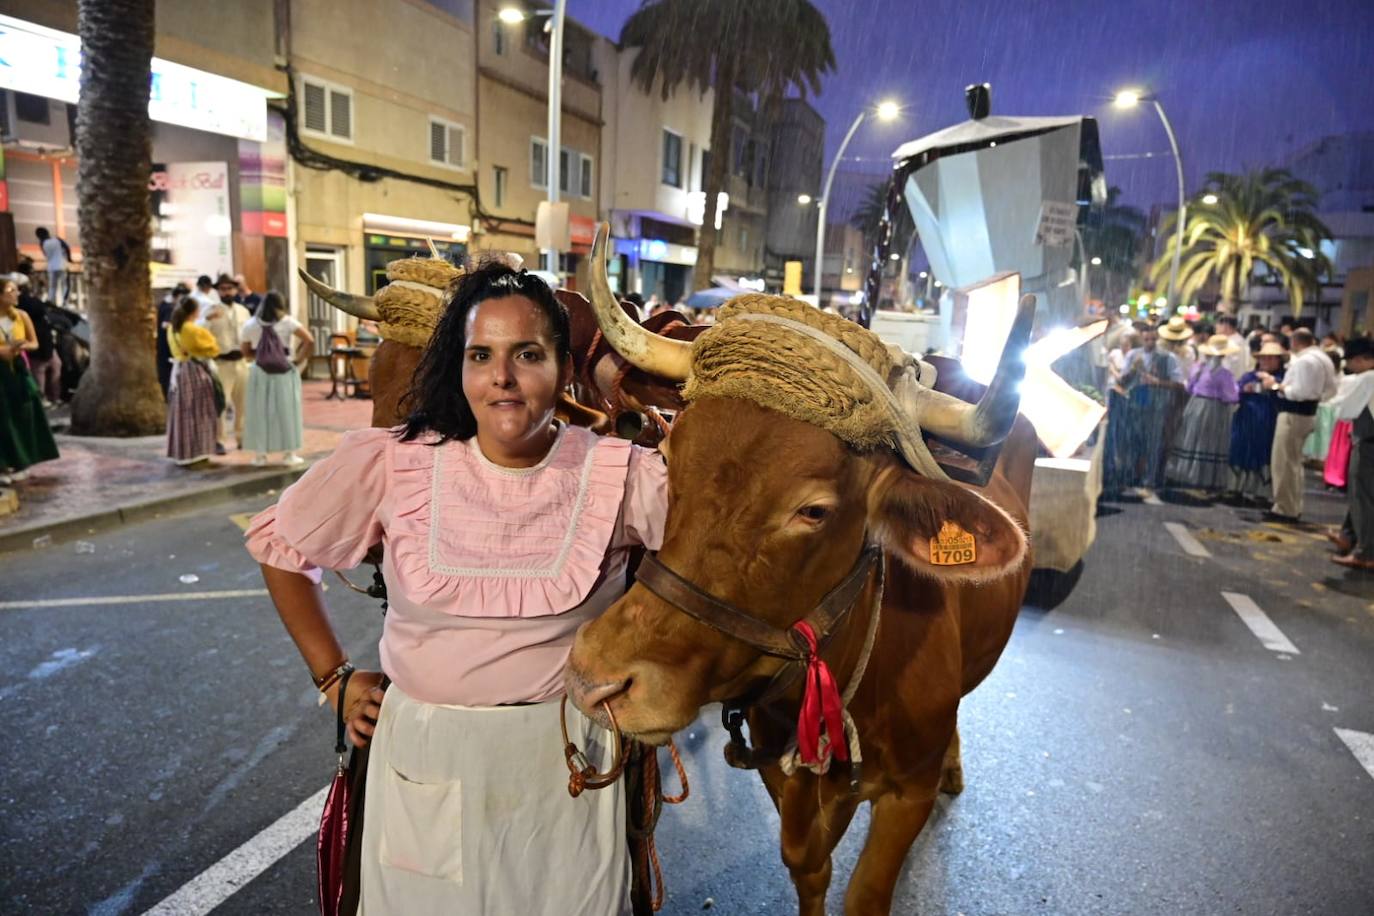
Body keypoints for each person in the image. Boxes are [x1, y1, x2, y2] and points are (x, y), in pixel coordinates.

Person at [245, 263, 667, 914]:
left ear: (563, 368)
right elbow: (280, 547)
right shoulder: (393, 461)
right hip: (425, 759)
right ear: (460, 366)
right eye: (481, 355)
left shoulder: (623, 475)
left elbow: (724, 558)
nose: (501, 377)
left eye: (527, 354)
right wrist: (334, 678)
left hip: (568, 769)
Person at [1259, 327, 1338, 521]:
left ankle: (1284, 508)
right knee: (1294, 463)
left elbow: (1298, 393)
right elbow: (1331, 390)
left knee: (1284, 462)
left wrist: (1275, 385)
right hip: (1309, 413)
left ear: (1295, 342)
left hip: (1294, 412)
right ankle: (1292, 505)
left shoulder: (1305, 361)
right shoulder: (1324, 359)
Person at [239, 291, 314, 467]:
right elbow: (309, 340)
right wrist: (298, 360)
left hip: (260, 372)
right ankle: (289, 454)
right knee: (287, 412)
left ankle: (260, 456)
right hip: (284, 370)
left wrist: (259, 356)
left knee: (259, 413)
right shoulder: (288, 322)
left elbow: (244, 350)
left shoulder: (250, 324)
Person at [1, 277, 60, 484]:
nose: (16, 294)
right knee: (4, 418)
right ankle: (5, 464)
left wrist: (21, 346)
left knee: (23, 415)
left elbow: (34, 342)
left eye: (16, 290)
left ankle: (22, 461)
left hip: (18, 371)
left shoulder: (21, 316)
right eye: (11, 290)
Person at [1167, 334, 1240, 493]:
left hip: (1195, 404)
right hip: (1213, 408)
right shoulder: (1224, 374)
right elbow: (1231, 396)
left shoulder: (1199, 368)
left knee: (1191, 438)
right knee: (1208, 441)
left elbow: (1189, 387)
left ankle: (1186, 473)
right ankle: (1204, 478)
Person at [1326, 337, 1374, 569]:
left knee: (1362, 496)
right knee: (1362, 494)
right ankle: (1348, 536)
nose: (1350, 368)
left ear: (1362, 360)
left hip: (1368, 443)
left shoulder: (1367, 378)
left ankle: (1366, 553)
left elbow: (1346, 411)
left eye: (1352, 362)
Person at [1228, 340, 1287, 505]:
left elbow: (1282, 393)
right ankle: (1236, 489)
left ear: (1278, 361)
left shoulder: (1282, 378)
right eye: (1263, 358)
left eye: (1271, 358)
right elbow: (1236, 390)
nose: (1266, 361)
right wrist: (1243, 390)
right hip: (1245, 419)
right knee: (1240, 450)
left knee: (1263, 453)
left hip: (1267, 420)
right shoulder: (1249, 375)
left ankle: (1261, 492)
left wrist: (1265, 385)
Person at [166, 296, 221, 466]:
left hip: (179, 373)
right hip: (194, 373)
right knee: (199, 414)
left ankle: (183, 454)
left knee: (182, 414)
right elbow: (213, 348)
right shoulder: (193, 330)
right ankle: (197, 456)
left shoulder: (172, 328)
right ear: (194, 311)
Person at [199, 273, 252, 452]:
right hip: (221, 363)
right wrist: (207, 320)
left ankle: (242, 437)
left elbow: (250, 334)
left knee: (243, 404)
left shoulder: (243, 311)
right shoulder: (210, 310)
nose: (226, 291)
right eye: (222, 289)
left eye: (229, 288)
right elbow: (201, 333)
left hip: (241, 362)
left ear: (235, 289)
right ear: (218, 291)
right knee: (221, 404)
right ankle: (219, 441)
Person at [13, 270, 60, 406]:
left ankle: (53, 397)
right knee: (40, 372)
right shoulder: (24, 303)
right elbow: (39, 308)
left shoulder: (27, 302)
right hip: (38, 346)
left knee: (53, 367)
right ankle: (43, 399)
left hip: (45, 343)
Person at [156, 283, 190, 399]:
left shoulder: (164, 304)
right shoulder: (170, 308)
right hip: (169, 351)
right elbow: (165, 325)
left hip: (164, 349)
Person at [35, 227, 69, 306]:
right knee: (65, 285)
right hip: (61, 265)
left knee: (52, 286)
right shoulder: (57, 240)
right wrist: (69, 259)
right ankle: (65, 303)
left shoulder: (42, 243)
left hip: (51, 267)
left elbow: (46, 254)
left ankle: (51, 302)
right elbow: (67, 248)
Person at [1217, 314, 1249, 379]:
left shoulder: (1229, 343)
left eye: (1219, 325)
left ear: (1226, 325)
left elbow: (1226, 366)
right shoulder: (1241, 340)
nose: (1217, 328)